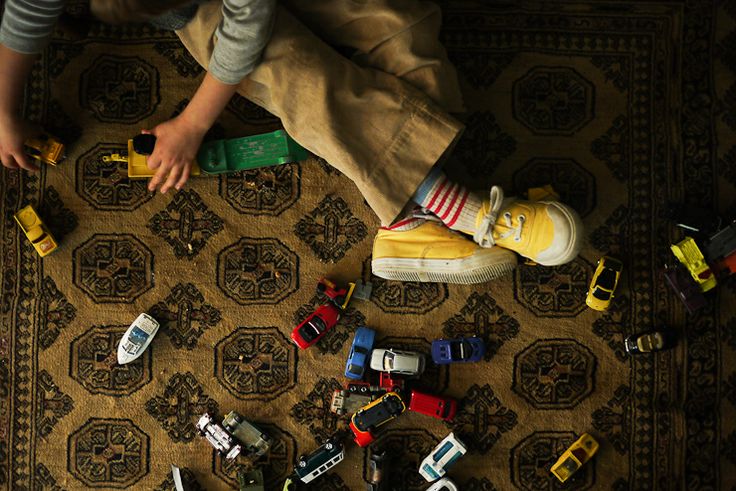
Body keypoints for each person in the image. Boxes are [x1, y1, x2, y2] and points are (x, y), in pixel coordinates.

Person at [0, 0, 582, 284]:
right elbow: (24, 15)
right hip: (204, 10)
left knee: (401, 23)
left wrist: (194, 125)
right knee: (299, 76)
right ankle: (460, 208)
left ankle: (407, 216)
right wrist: (3, 110)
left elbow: (248, 17)